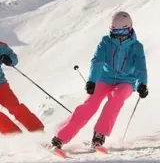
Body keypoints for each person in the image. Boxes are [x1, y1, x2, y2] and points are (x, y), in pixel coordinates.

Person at [51, 11, 148, 150]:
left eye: (123, 31)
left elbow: (140, 68)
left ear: (130, 28)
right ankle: (60, 137)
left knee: (116, 98)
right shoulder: (105, 42)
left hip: (126, 81)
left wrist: (142, 84)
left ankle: (99, 135)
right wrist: (92, 81)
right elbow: (97, 62)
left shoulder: (137, 47)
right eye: (116, 31)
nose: (120, 35)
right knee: (90, 104)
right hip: (105, 78)